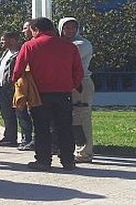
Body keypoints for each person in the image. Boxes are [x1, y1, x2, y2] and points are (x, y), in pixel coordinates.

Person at [13, 17, 84, 172]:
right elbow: (78, 71)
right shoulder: (69, 46)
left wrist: (16, 84)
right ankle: (68, 160)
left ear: (35, 29)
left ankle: (43, 160)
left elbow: (18, 69)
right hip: (64, 92)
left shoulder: (30, 45)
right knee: (65, 127)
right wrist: (71, 84)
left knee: (41, 128)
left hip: (39, 93)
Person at [58, 17, 95, 163]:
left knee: (81, 117)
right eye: (66, 27)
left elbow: (63, 59)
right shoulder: (62, 43)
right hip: (66, 83)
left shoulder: (82, 44)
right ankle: (74, 148)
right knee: (71, 119)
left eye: (73, 28)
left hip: (81, 84)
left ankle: (85, 152)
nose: (70, 30)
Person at [0, 31, 33, 150]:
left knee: (21, 114)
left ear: (13, 40)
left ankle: (26, 139)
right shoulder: (6, 53)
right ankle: (10, 137)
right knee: (6, 114)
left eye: (4, 40)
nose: (1, 42)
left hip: (15, 88)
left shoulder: (20, 53)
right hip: (1, 87)